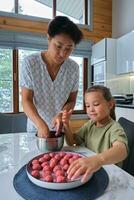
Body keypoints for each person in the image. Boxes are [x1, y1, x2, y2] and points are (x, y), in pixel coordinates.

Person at [20, 16, 83, 138]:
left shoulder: (74, 68)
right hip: (36, 128)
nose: (62, 54)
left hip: (60, 128)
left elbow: (71, 100)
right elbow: (26, 100)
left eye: (68, 49)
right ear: (49, 37)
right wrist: (40, 124)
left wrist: (61, 113)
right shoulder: (30, 63)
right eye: (58, 46)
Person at [62, 85, 128, 183]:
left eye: (96, 104)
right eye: (88, 106)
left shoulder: (115, 128)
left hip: (110, 175)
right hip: (91, 169)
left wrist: (98, 159)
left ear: (110, 105)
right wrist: (66, 125)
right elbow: (72, 141)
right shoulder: (90, 124)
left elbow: (121, 151)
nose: (91, 109)